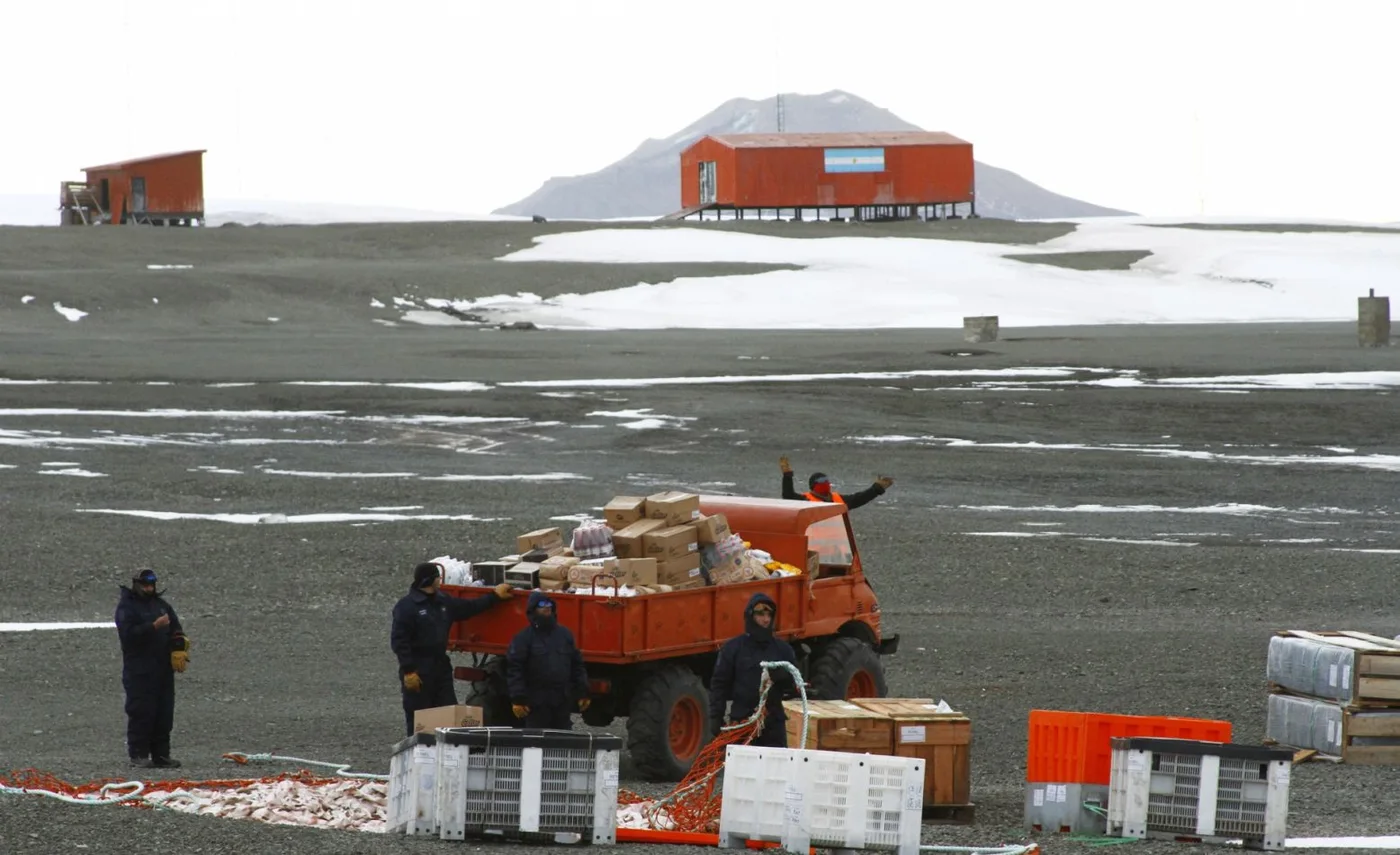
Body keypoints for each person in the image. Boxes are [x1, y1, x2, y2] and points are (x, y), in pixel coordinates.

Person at [391, 562, 514, 736]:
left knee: (448, 714)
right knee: (418, 717)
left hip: (440, 667)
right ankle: (419, 755)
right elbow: (398, 641)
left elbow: (468, 608)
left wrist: (494, 597)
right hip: (418, 670)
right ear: (430, 580)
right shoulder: (406, 607)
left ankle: (447, 754)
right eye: (437, 577)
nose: (439, 580)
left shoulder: (443, 601)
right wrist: (409, 670)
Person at [114, 568, 191, 769]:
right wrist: (153, 627)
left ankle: (161, 755)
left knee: (164, 713)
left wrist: (179, 647)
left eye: (151, 585)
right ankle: (138, 754)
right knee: (141, 712)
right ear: (136, 584)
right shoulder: (127, 607)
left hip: (164, 670)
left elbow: (176, 630)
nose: (148, 588)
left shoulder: (161, 606)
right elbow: (128, 635)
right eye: (144, 585)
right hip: (139, 670)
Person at [709, 592, 799, 747]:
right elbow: (720, 685)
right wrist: (716, 716)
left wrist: (784, 677)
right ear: (750, 616)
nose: (765, 619)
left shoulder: (783, 650)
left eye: (769, 614)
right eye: (760, 614)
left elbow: (795, 688)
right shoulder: (733, 649)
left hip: (773, 725)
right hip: (742, 723)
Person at [506, 591, 590, 729]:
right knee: (536, 745)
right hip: (536, 703)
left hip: (561, 701)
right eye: (541, 604)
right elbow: (515, 669)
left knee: (561, 744)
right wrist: (518, 699)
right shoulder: (523, 638)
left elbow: (577, 665)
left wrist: (583, 692)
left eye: (549, 604)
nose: (546, 607)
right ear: (533, 608)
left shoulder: (565, 635)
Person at [780, 456, 893, 510]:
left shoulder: (838, 500)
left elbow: (860, 498)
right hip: (815, 546)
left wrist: (876, 489)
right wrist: (787, 476)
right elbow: (788, 495)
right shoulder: (806, 500)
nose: (825, 483)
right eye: (821, 481)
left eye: (826, 480)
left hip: (837, 549)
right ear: (813, 486)